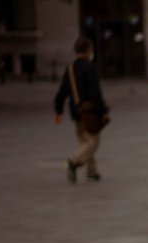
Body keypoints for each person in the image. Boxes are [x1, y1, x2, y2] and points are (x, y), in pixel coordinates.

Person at [54, 36, 107, 184]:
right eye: (91, 49)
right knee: (93, 142)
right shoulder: (89, 67)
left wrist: (58, 110)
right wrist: (102, 110)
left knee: (84, 141)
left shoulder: (70, 68)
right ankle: (72, 162)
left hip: (76, 112)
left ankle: (91, 172)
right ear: (88, 50)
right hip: (89, 111)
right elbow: (95, 92)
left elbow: (62, 92)